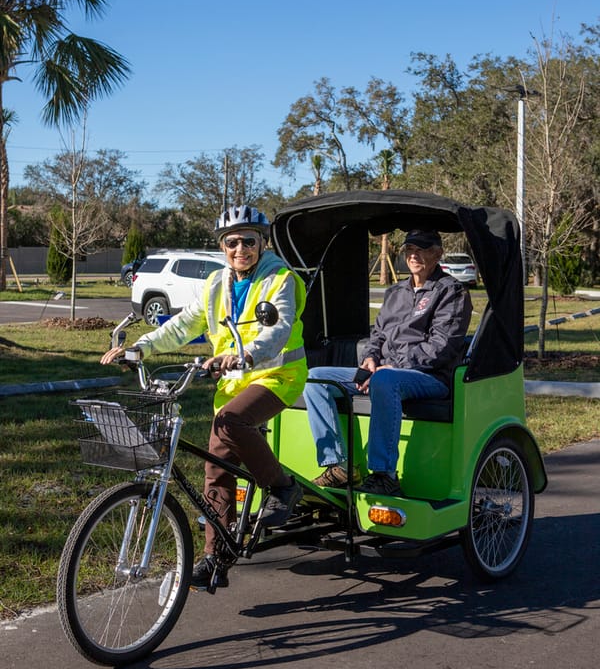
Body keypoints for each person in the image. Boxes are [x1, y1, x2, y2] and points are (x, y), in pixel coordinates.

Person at [101, 204, 307, 587]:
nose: (240, 249)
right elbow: (182, 324)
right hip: (232, 385)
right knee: (216, 468)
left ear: (262, 243)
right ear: (223, 246)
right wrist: (142, 347)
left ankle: (282, 488)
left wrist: (245, 354)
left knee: (231, 422)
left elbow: (277, 329)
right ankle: (215, 559)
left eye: (249, 241)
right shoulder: (217, 283)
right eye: (232, 242)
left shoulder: (280, 278)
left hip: (278, 375)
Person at [303, 228, 473, 495]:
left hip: (431, 377)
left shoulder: (451, 292)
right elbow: (379, 334)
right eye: (409, 250)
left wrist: (392, 367)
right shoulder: (396, 292)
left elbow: (441, 347)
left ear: (438, 254)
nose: (414, 255)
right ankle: (338, 467)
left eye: (422, 250)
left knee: (385, 379)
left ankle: (384, 475)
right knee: (315, 377)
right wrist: (370, 358)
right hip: (386, 372)